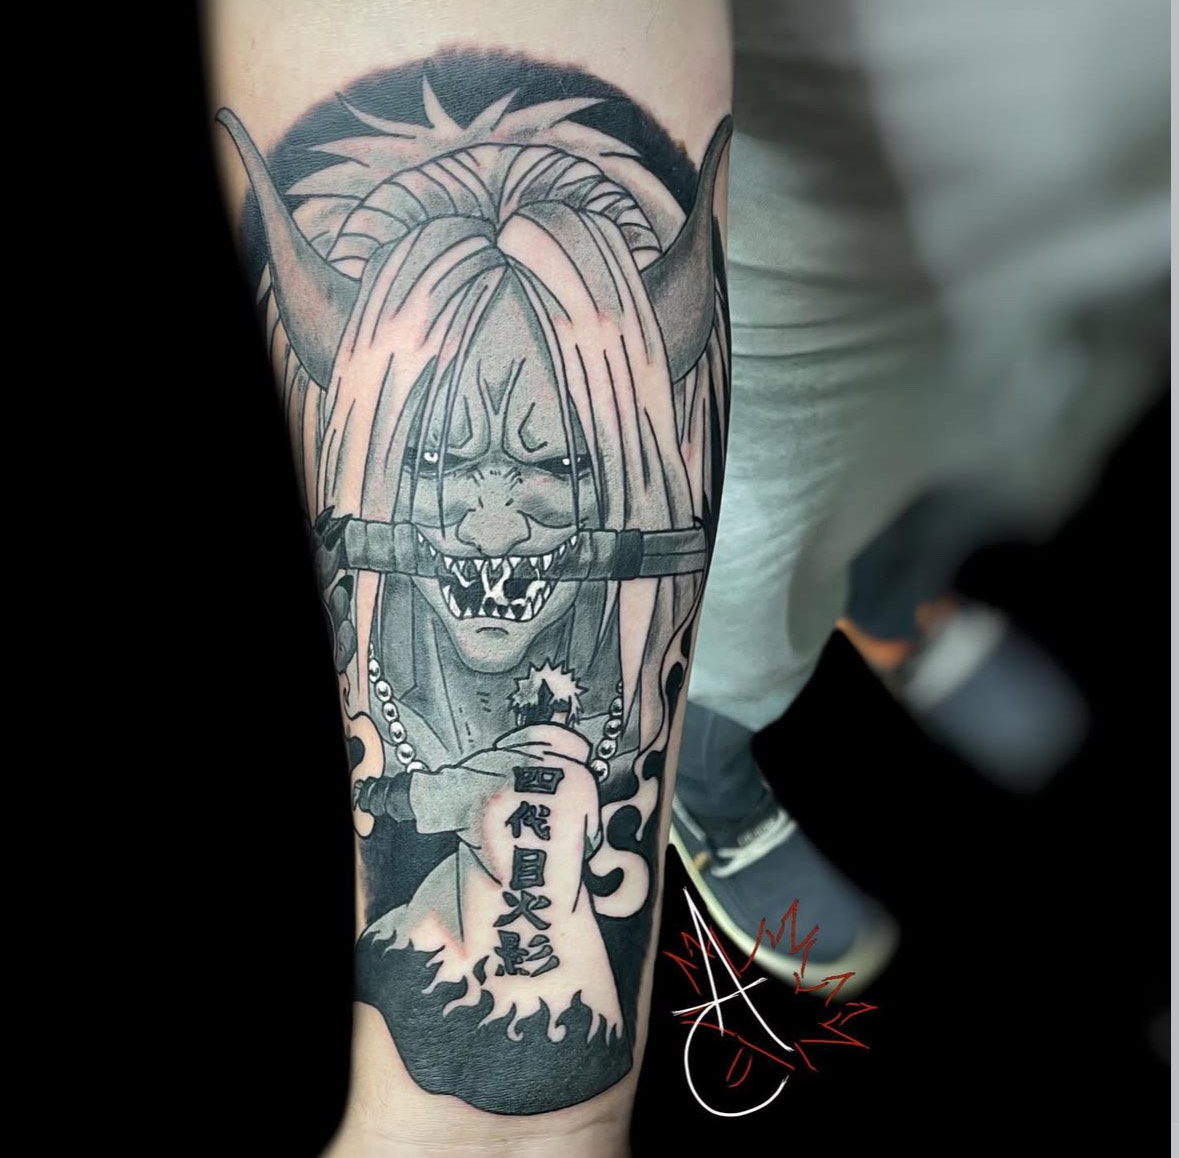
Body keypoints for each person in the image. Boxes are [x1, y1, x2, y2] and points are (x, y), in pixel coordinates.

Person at [205, 0, 1167, 1152]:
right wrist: (503, 1134)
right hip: (819, 283)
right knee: (757, 576)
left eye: (548, 464)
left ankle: (888, 595)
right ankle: (705, 754)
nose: (495, 521)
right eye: (446, 462)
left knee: (978, 453)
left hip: (1104, 217)